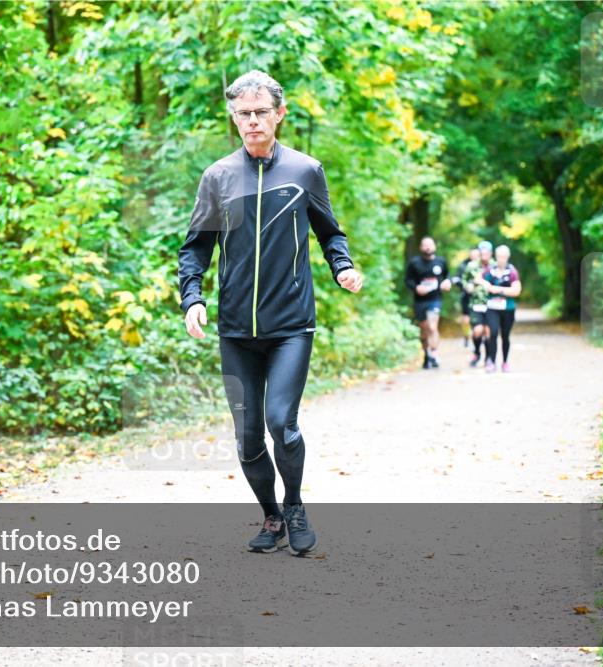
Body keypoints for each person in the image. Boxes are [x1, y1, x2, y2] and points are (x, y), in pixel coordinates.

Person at [177, 70, 363, 556]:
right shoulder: (218, 177)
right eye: (243, 113)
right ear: (233, 117)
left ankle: (295, 504)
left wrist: (341, 266)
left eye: (261, 112)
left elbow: (330, 232)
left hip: (290, 327)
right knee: (247, 438)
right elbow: (195, 248)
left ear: (280, 114)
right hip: (236, 329)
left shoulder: (305, 172)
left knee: (282, 421)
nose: (253, 121)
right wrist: (192, 297)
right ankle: (272, 518)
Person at [403, 236, 451, 369]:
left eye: (430, 244)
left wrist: (447, 282)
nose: (428, 247)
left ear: (434, 246)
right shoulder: (414, 263)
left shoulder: (441, 262)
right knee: (424, 330)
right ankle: (426, 354)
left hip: (435, 299)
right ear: (421, 247)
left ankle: (434, 354)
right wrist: (416, 288)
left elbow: (447, 276)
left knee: (432, 326)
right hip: (420, 301)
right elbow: (407, 280)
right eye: (425, 245)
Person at [479, 244, 521, 373]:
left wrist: (498, 289)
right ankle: (491, 361)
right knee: (492, 333)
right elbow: (478, 279)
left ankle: (505, 362)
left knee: (505, 336)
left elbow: (516, 291)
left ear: (507, 257)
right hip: (492, 308)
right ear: (495, 257)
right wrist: (487, 285)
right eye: (499, 256)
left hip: (508, 308)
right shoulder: (489, 271)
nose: (501, 259)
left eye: (504, 256)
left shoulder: (512, 271)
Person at [464, 241, 494, 366]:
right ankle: (477, 352)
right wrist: (469, 286)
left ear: (491, 254)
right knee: (477, 331)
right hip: (475, 303)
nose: (484, 255)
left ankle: (488, 358)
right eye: (482, 253)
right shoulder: (471, 266)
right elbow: (464, 280)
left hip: (491, 303)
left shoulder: (495, 266)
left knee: (488, 332)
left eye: (487, 253)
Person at [452, 247, 481, 347]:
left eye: (477, 255)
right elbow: (456, 279)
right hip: (466, 296)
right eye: (473, 255)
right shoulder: (463, 266)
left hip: (481, 298)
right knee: (466, 319)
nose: (475, 257)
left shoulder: (484, 266)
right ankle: (466, 337)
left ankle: (477, 337)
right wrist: (464, 286)